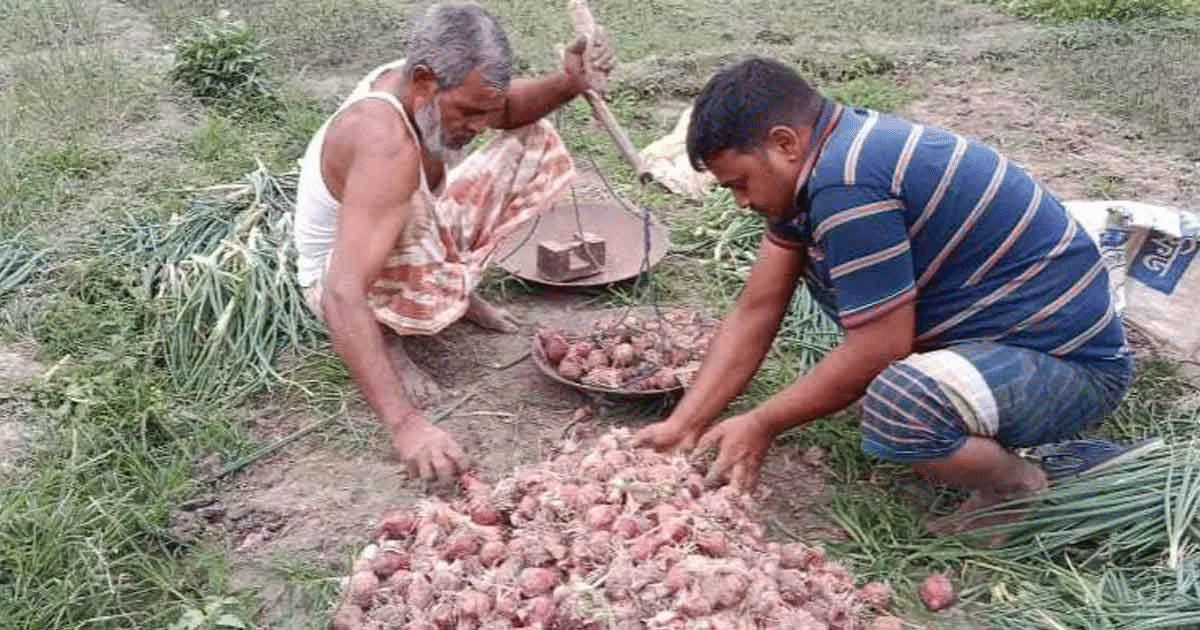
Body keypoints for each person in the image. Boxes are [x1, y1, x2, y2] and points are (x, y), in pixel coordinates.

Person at [633, 57, 1158, 535]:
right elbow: (757, 308)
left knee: (899, 404)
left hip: (1070, 364)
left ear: (785, 142)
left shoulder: (850, 184)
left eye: (740, 183)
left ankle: (1018, 485)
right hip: (1005, 341)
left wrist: (762, 422)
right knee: (881, 389)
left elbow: (878, 347)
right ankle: (1021, 441)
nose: (742, 201)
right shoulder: (823, 163)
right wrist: (684, 424)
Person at [293, 1, 613, 485]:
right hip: (342, 277)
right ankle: (390, 337)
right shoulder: (383, 143)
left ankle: (454, 291)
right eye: (470, 112)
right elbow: (342, 292)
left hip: (403, 231)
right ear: (424, 81)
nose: (481, 125)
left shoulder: (414, 84)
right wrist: (406, 426)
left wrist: (570, 82)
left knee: (530, 138)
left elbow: (506, 110)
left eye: (485, 111)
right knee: (410, 201)